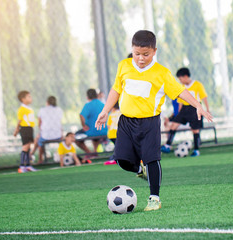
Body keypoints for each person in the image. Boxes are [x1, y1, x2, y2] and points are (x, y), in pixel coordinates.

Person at [95, 30, 212, 211]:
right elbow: (116, 90)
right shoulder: (124, 66)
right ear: (132, 50)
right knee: (121, 159)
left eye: (146, 54)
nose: (140, 58)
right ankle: (139, 171)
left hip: (149, 123)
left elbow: (180, 91)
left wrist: (197, 105)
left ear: (154, 51)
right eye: (137, 54)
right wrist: (105, 110)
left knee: (152, 159)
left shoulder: (161, 73)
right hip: (126, 122)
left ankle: (154, 198)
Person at [161, 67, 210, 157]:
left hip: (194, 109)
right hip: (184, 109)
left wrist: (207, 109)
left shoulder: (197, 85)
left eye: (180, 79)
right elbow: (180, 101)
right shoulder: (182, 87)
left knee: (195, 130)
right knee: (174, 125)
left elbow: (204, 97)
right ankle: (167, 145)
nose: (180, 81)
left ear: (186, 76)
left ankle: (196, 150)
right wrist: (178, 114)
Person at [75, 89, 108, 157]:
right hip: (104, 130)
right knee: (95, 134)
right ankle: (95, 152)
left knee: (76, 137)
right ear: (97, 95)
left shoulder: (88, 105)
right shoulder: (103, 104)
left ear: (87, 97)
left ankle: (89, 153)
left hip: (92, 131)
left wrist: (84, 125)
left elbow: (81, 115)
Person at [31, 96, 63, 164]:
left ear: (47, 102)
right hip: (58, 134)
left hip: (46, 135)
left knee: (38, 139)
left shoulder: (42, 110)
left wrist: (42, 131)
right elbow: (60, 122)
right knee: (39, 138)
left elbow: (39, 123)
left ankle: (39, 158)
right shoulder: (59, 109)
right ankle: (32, 154)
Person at [13, 90, 37, 173]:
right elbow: (19, 120)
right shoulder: (21, 109)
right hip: (25, 128)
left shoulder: (29, 108)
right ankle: (22, 166)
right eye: (29, 97)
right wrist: (16, 130)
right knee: (25, 147)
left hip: (30, 128)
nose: (31, 98)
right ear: (23, 99)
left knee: (29, 147)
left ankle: (28, 166)